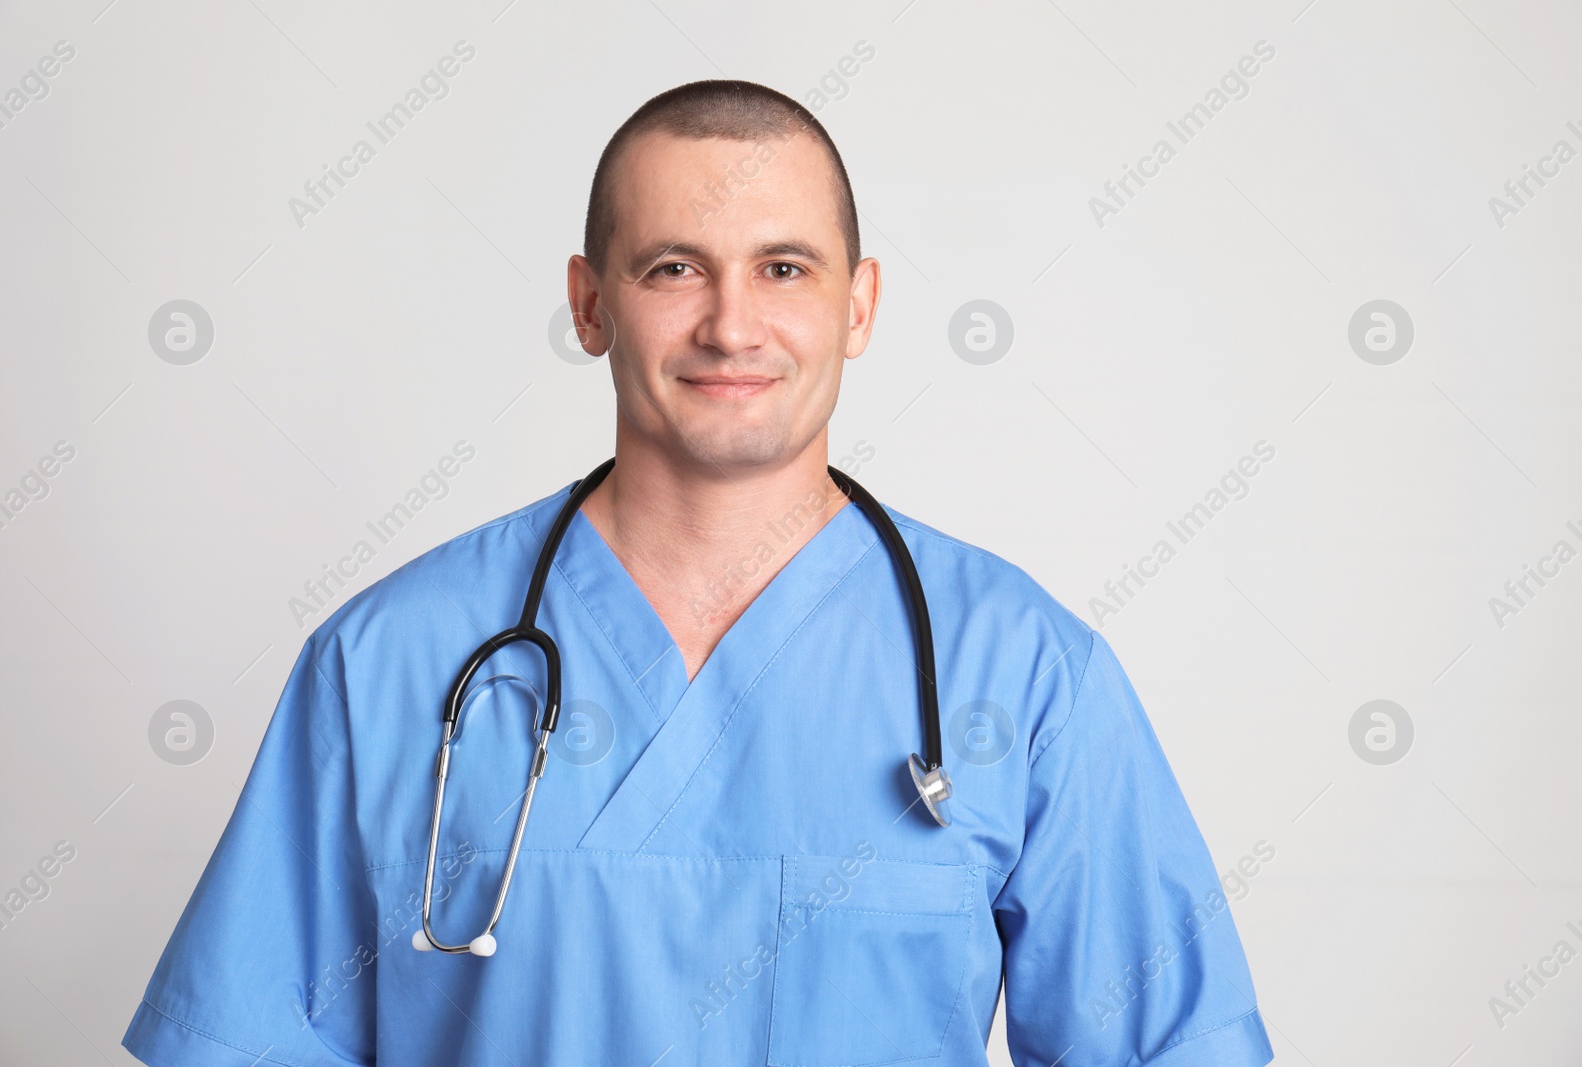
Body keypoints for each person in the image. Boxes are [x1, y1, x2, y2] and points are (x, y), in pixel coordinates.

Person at [123, 79, 1274, 1067]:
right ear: (589, 303)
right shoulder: (390, 660)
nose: (732, 323)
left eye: (783, 267)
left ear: (857, 304)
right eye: (675, 267)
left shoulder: (1022, 674)